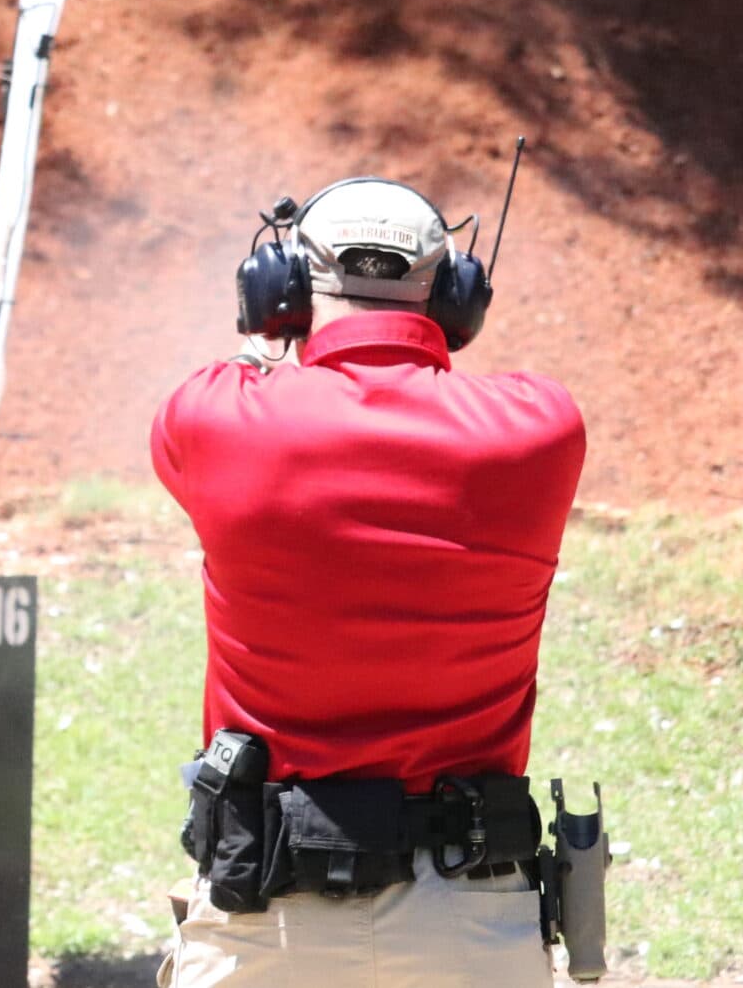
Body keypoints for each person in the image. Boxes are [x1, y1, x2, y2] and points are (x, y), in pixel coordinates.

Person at [151, 176, 588, 988]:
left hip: (267, 927)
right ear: (455, 297)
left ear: (281, 290)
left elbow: (240, 389)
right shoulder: (540, 426)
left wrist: (279, 340)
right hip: (471, 922)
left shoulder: (215, 417)